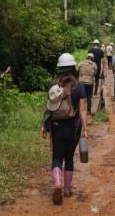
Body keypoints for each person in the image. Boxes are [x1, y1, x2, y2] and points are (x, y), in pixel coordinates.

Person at [41, 53, 89, 205]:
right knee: (69, 157)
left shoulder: (53, 85)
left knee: (56, 157)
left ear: (59, 68)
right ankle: (67, 190)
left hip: (56, 126)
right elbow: (82, 110)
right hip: (74, 127)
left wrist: (44, 124)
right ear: (73, 67)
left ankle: (57, 184)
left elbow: (48, 107)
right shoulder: (79, 86)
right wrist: (85, 128)